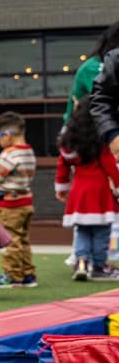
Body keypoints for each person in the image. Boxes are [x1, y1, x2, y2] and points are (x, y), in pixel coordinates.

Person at [55, 102, 118, 283]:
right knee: (101, 231)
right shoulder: (100, 142)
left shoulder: (69, 143)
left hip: (79, 189)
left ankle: (81, 262)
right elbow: (110, 167)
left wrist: (62, 187)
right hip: (100, 190)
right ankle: (99, 266)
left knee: (82, 229)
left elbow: (62, 166)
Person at [0, 111, 38, 286]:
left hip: (10, 204)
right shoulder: (28, 151)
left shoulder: (9, 154)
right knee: (23, 239)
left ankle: (12, 275)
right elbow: (14, 172)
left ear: (7, 135)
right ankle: (27, 273)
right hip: (26, 202)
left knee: (11, 239)